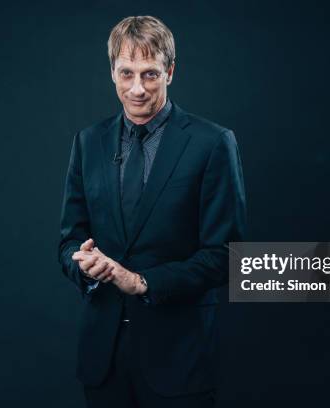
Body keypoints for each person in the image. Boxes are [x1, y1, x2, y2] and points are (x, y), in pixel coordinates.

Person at [58, 15, 246, 408]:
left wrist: (143, 281)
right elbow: (69, 240)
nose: (137, 89)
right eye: (126, 73)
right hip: (102, 360)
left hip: (179, 360)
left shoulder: (212, 143)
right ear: (112, 71)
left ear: (170, 72)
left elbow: (227, 257)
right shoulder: (87, 142)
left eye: (150, 74)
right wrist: (82, 264)